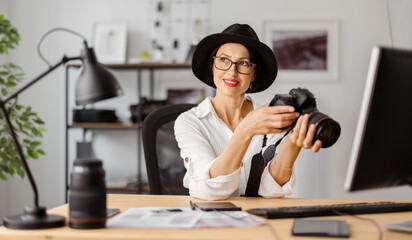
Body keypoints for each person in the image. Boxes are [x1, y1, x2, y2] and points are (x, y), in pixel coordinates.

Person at [174, 23, 322, 200]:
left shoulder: (269, 116)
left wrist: (292, 144)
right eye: (223, 60)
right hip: (209, 219)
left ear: (253, 74)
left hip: (257, 217)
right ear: (212, 66)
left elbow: (270, 191)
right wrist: (247, 129)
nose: (232, 71)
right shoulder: (189, 122)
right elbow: (210, 191)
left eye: (243, 63)